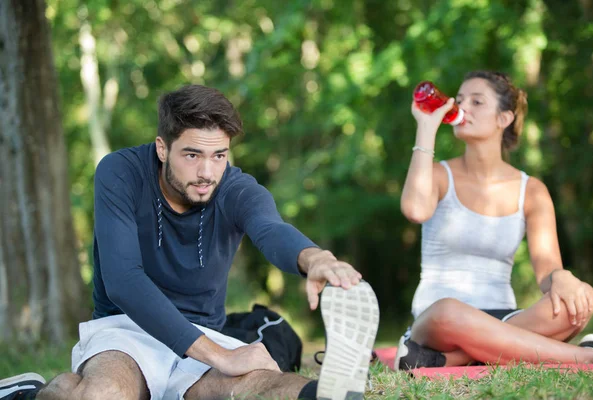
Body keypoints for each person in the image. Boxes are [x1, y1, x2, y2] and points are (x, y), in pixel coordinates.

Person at [0, 85, 379, 400]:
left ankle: (327, 395)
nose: (207, 172)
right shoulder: (121, 173)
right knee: (102, 394)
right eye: (193, 155)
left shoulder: (235, 188)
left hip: (204, 335)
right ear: (162, 148)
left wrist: (314, 258)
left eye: (219, 156)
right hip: (127, 331)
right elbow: (124, 281)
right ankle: (38, 392)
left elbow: (270, 229)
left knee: (258, 387)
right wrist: (222, 356)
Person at [395, 70, 593, 370]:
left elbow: (548, 272)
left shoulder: (532, 190)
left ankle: (455, 359)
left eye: (477, 102)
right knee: (450, 312)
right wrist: (426, 128)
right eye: (461, 100)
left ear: (504, 119)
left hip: (507, 317)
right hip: (440, 318)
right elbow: (415, 210)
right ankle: (586, 357)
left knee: (583, 298)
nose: (463, 108)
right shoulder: (439, 175)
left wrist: (564, 278)